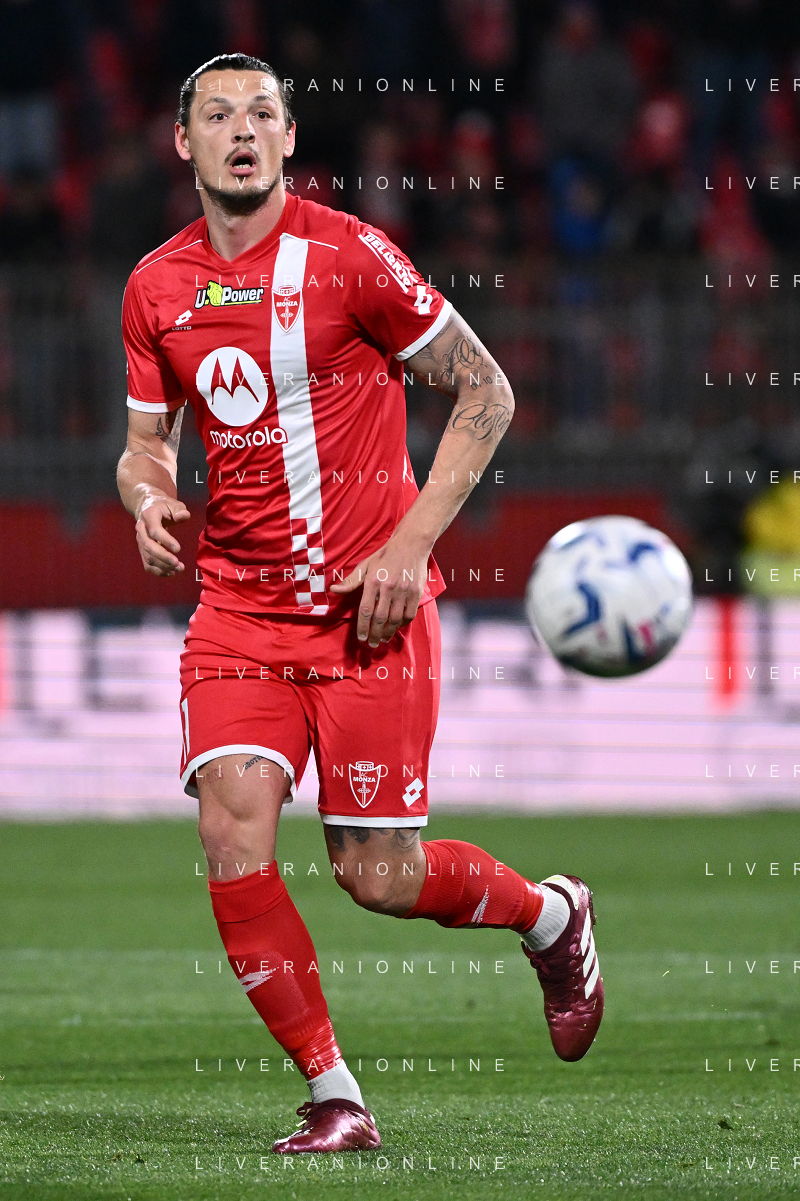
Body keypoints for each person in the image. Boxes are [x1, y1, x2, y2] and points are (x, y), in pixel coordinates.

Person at [116, 53, 603, 1155]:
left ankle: (552, 915)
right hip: (238, 613)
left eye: (262, 113)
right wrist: (146, 495)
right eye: (217, 115)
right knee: (230, 827)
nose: (242, 130)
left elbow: (486, 389)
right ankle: (335, 1093)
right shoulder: (155, 287)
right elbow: (145, 444)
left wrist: (408, 546)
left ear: (290, 139)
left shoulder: (352, 257)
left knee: (377, 876)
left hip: (365, 614)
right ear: (183, 143)